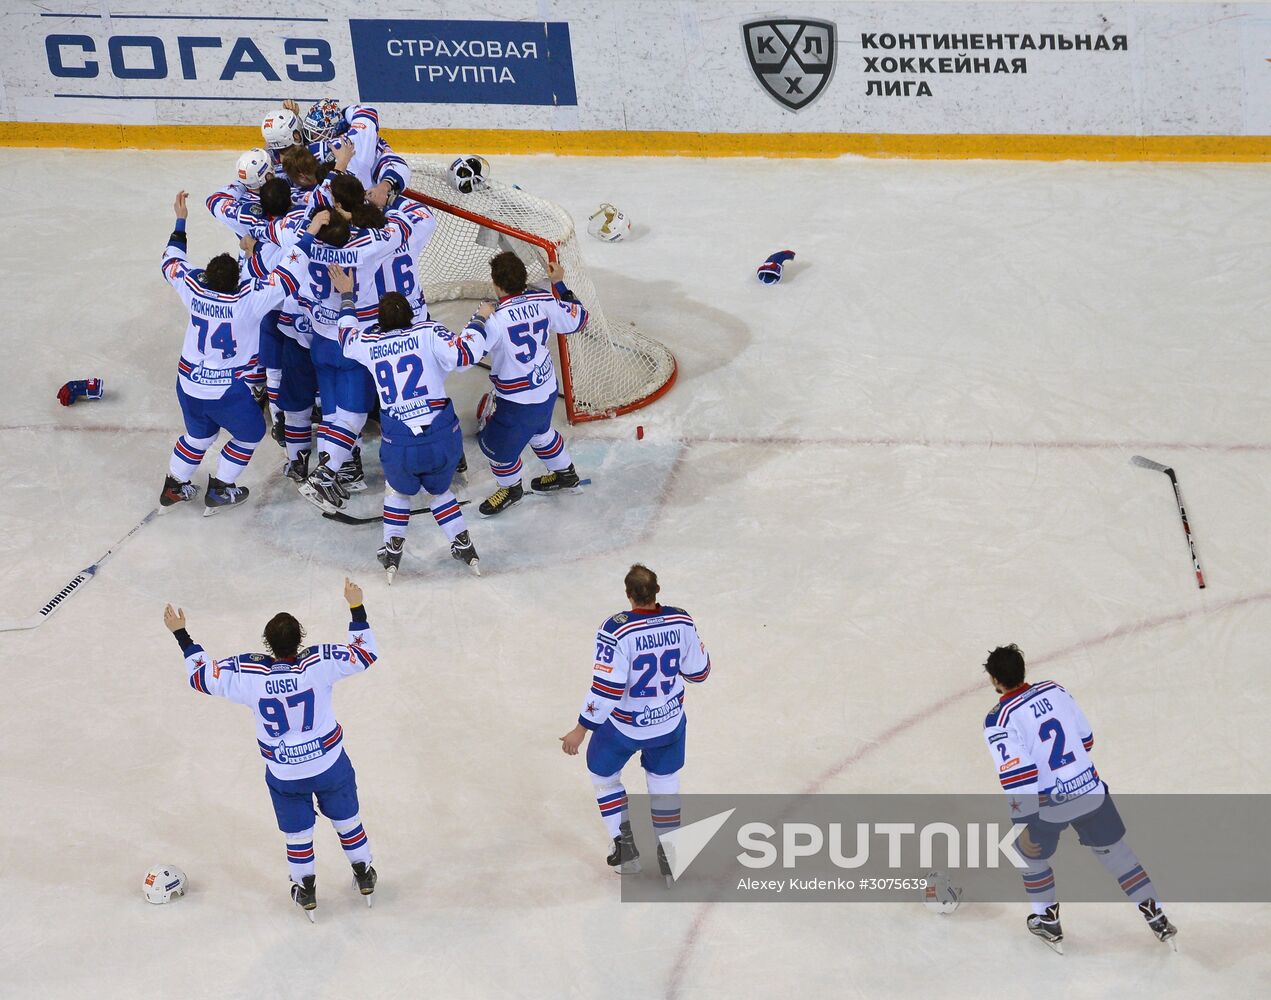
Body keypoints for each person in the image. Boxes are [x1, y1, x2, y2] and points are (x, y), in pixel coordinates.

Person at [164, 578, 380, 920]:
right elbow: (365, 654)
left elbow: (201, 677)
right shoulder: (317, 663)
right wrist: (356, 607)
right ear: (300, 639)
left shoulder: (251, 674)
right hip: (329, 763)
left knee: (298, 833)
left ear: (267, 644)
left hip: (284, 772)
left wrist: (182, 635)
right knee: (347, 820)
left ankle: (305, 887)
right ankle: (364, 872)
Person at [982, 644, 1178, 952]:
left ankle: (1047, 920)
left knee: (1025, 853)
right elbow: (1086, 739)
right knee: (1117, 854)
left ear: (994, 679)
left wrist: (1023, 822)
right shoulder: (1055, 690)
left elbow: (1019, 775)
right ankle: (1157, 915)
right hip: (1090, 791)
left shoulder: (999, 719)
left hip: (1050, 804)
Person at [328, 266, 485, 580]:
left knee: (398, 493)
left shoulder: (371, 342)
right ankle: (463, 544)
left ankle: (392, 549)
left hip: (400, 443)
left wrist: (347, 295)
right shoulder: (428, 331)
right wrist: (480, 319)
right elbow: (465, 356)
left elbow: (345, 337)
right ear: (411, 316)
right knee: (439, 492)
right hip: (442, 436)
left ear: (380, 321)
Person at [560, 565, 711, 883]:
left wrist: (581, 729)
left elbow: (607, 689)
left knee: (603, 775)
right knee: (664, 781)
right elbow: (699, 673)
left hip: (624, 728)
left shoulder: (616, 630)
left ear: (628, 595)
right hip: (669, 724)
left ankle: (625, 849)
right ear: (658, 590)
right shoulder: (681, 620)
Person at [158, 191, 301, 515]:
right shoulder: (246, 301)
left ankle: (174, 485)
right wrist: (305, 239)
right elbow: (288, 278)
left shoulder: (194, 288)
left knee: (198, 436)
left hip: (188, 383)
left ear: (207, 276)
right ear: (236, 280)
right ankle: (221, 488)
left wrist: (181, 221)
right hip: (225, 391)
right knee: (251, 434)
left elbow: (171, 261)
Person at [476, 252, 589, 517]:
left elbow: (466, 355)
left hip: (517, 402)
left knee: (497, 450)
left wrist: (479, 319)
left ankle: (511, 490)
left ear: (496, 284)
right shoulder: (544, 300)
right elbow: (580, 318)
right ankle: (566, 474)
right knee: (541, 433)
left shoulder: (494, 318)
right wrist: (559, 283)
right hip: (546, 388)